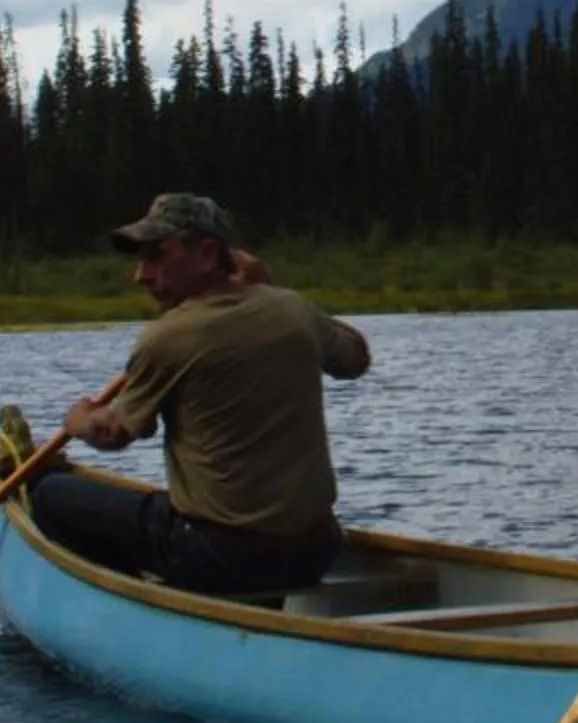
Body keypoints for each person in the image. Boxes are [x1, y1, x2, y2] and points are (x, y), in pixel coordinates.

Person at [30, 191, 371, 598]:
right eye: (141, 260)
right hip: (317, 550)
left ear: (209, 254)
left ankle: (140, 603)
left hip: (221, 555)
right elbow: (355, 358)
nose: (141, 275)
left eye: (157, 256)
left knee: (50, 495)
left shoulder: (169, 335)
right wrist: (274, 289)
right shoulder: (291, 309)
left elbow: (114, 435)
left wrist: (79, 419)